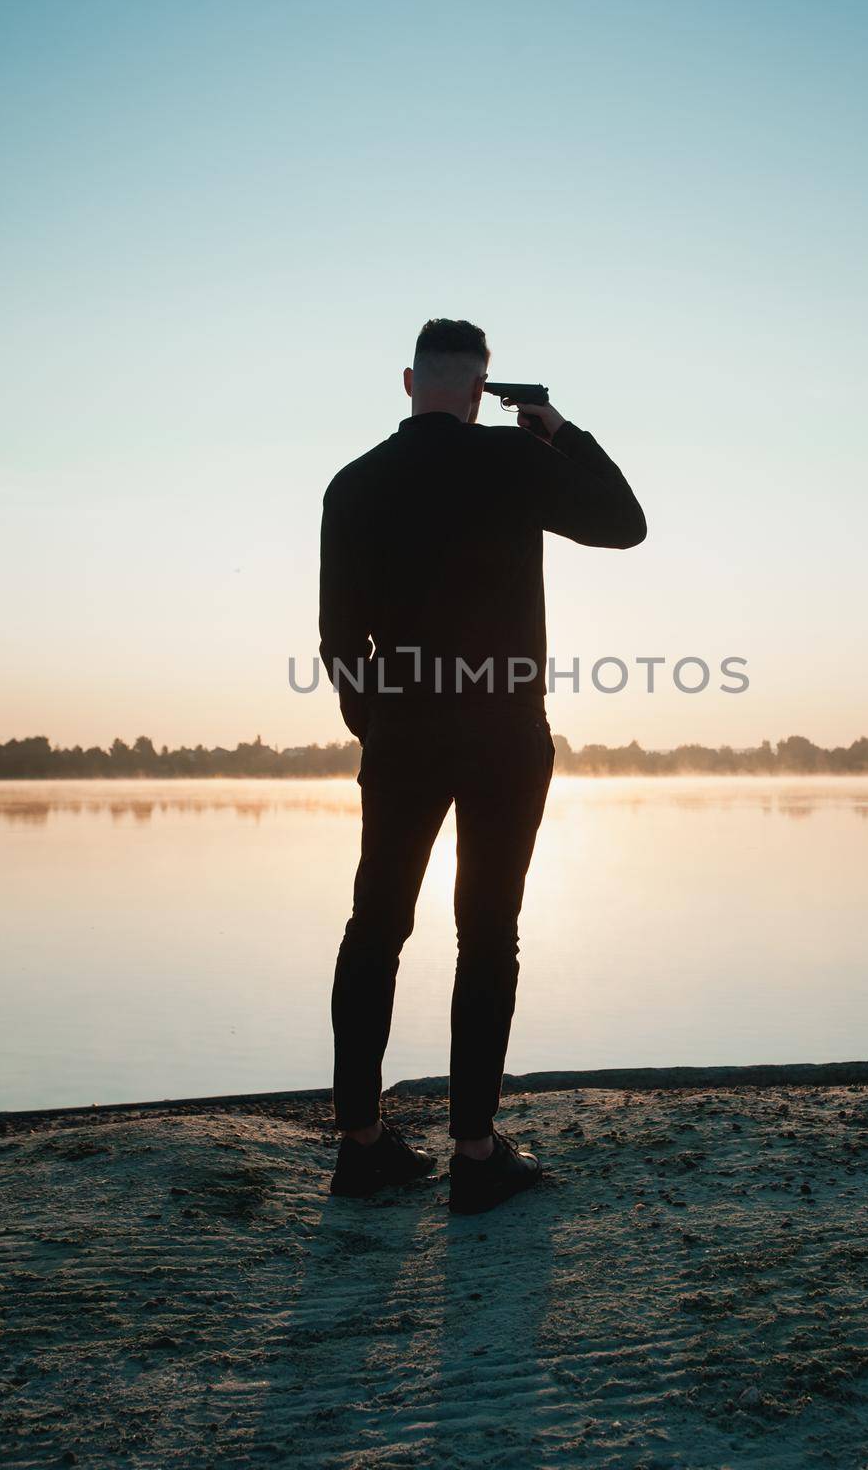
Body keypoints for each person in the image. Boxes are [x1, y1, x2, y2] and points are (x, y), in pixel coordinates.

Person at [319, 318, 646, 1213]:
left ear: (407, 382)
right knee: (486, 934)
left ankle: (361, 1146)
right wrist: (558, 431)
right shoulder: (511, 461)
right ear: (479, 391)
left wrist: (379, 725)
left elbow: (339, 639)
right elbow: (625, 525)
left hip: (403, 731)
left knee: (375, 926)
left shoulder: (353, 484)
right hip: (504, 728)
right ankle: (473, 1154)